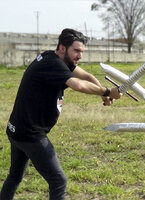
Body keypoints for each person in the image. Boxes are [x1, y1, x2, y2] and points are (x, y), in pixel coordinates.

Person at [0, 28, 122, 200]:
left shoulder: (55, 58)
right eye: (76, 51)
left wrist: (104, 93)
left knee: (14, 176)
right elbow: (78, 85)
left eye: (82, 51)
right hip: (31, 134)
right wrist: (108, 90)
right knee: (58, 181)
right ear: (63, 48)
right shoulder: (53, 64)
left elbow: (85, 75)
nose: (80, 56)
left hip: (17, 129)